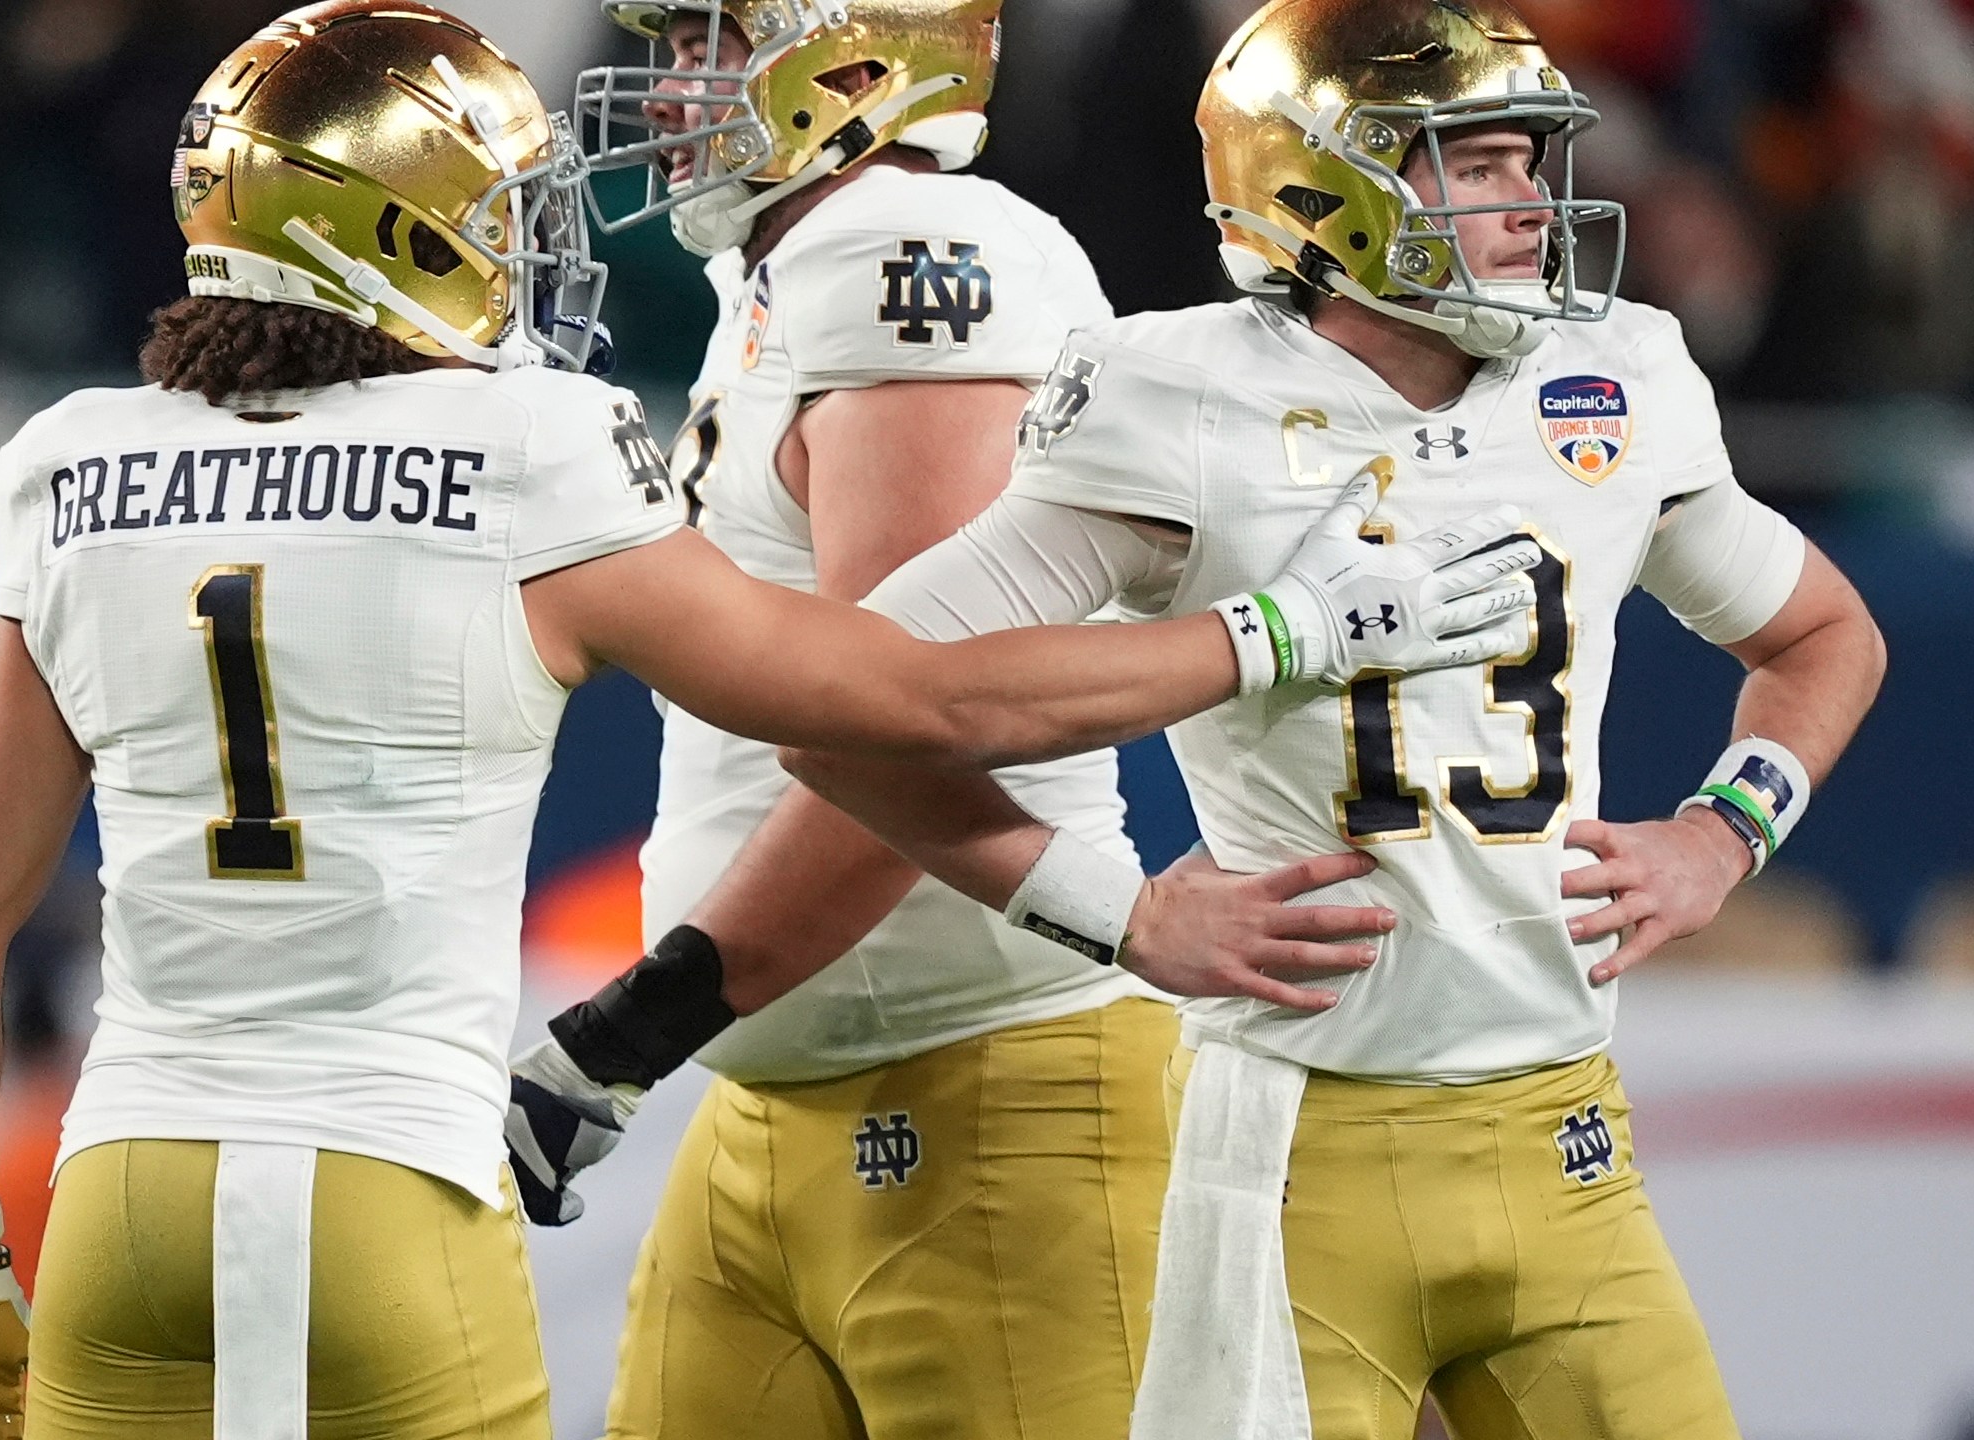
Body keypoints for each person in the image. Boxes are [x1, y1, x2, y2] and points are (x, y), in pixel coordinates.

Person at [0, 3, 1552, 1438]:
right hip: (560, 1142)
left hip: (156, 1185)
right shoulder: (534, 436)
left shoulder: (65, 459)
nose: (670, 87)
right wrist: (1285, 634)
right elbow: (904, 697)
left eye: (708, 41)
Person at [765, 2, 1889, 1438]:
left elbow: (1821, 633)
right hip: (1298, 1140)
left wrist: (1723, 832)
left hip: (1566, 1138)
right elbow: (846, 709)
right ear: (1320, 187)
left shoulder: (1610, 375)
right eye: (1473, 164)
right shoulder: (1179, 398)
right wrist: (1117, 914)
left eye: (1528, 162)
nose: (1527, 203)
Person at [502, 7, 1533, 1437]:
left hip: (992, 1104)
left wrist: (625, 1031)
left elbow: (911, 721)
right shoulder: (795, 265)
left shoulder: (912, 255)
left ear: (853, 62)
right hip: (773, 1117)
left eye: (712, 39)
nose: (674, 86)